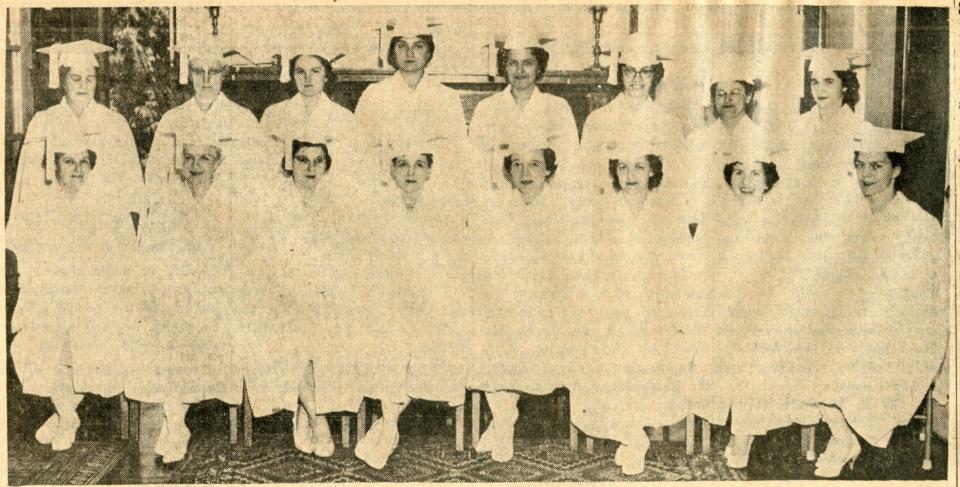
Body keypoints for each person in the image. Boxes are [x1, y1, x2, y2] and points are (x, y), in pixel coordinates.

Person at [789, 127, 948, 477]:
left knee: (850, 353)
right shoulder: (846, 220)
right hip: (850, 324)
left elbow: (925, 299)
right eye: (860, 165)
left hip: (897, 332)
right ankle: (843, 434)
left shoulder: (919, 226)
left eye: (876, 166)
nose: (866, 176)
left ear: (896, 170)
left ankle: (844, 434)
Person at [7, 39, 142, 452]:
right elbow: (28, 193)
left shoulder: (114, 124)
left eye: (90, 78)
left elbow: (132, 194)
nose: (83, 85)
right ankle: (67, 412)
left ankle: (66, 411)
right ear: (60, 80)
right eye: (75, 78)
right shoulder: (43, 124)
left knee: (95, 323)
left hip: (103, 246)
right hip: (55, 244)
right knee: (41, 327)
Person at [468, 128, 590, 463]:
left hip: (549, 305)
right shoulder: (496, 208)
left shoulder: (565, 210)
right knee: (489, 326)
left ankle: (503, 420)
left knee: (521, 329)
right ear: (507, 170)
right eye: (517, 165)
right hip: (507, 299)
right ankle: (505, 418)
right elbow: (485, 263)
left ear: (549, 169)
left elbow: (570, 270)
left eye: (534, 164)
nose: (525, 173)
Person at [568, 140, 690, 475]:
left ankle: (632, 435)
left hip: (656, 309)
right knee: (601, 358)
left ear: (652, 169)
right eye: (623, 167)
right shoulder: (601, 210)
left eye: (639, 166)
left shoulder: (668, 212)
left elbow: (682, 267)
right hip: (610, 307)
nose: (630, 175)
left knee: (648, 357)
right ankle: (631, 435)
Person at [352, 138, 471, 469]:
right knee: (388, 335)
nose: (410, 172)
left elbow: (453, 269)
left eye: (419, 164)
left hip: (434, 303)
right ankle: (389, 426)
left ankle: (387, 425)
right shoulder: (376, 209)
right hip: (389, 301)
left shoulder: (446, 211)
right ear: (390, 170)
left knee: (426, 337)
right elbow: (369, 267)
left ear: (430, 172)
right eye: (402, 164)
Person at [353, 17, 470, 188]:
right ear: (393, 53)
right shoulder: (374, 94)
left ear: (429, 52)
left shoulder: (447, 98)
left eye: (418, 46)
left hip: (434, 189)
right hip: (384, 188)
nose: (410, 53)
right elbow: (358, 150)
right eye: (402, 46)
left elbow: (459, 155)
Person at [469, 30, 579, 191]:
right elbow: (474, 166)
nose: (520, 71)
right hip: (498, 203)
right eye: (513, 63)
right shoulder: (486, 109)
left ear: (539, 67)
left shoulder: (558, 108)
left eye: (527, 63)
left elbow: (569, 166)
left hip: (544, 203)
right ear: (504, 67)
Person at [579, 34, 682, 194]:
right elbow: (586, 177)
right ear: (621, 73)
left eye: (645, 72)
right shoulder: (597, 120)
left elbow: (676, 179)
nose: (637, 78)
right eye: (630, 71)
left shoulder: (669, 123)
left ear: (654, 75)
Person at [680, 53, 767, 230]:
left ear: (748, 96)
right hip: (705, 229)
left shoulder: (763, 140)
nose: (727, 100)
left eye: (735, 93)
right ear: (713, 99)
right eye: (721, 94)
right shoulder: (696, 140)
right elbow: (686, 190)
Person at [260, 46, 365, 185]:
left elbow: (352, 166)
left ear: (326, 76)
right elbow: (261, 162)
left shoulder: (344, 117)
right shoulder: (273, 113)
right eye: (300, 72)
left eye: (315, 71)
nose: (307, 78)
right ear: (292, 76)